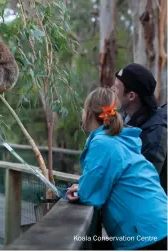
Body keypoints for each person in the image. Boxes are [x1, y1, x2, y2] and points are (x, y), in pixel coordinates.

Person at [66, 87, 167, 250]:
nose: (82, 114)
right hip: (158, 223)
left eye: (84, 110)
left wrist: (82, 190)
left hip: (145, 232)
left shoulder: (103, 143)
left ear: (90, 113)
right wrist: (84, 186)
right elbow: (103, 179)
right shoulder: (118, 139)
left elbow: (90, 195)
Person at [112, 63, 167, 193]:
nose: (112, 90)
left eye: (116, 88)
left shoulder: (154, 134)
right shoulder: (128, 119)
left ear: (131, 96)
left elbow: (140, 185)